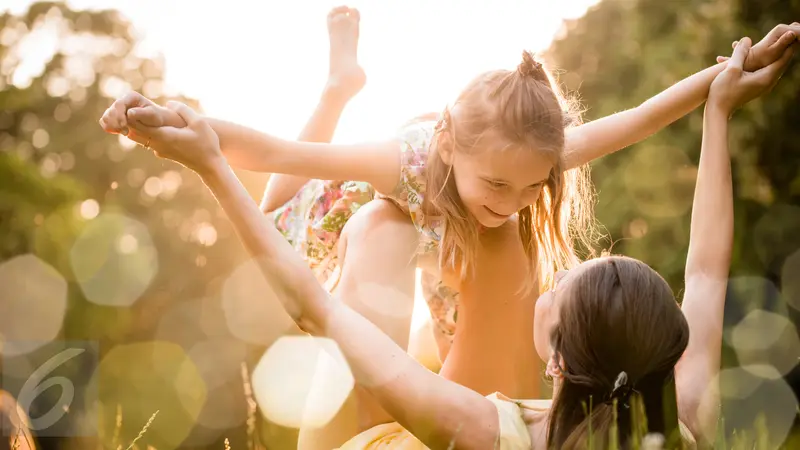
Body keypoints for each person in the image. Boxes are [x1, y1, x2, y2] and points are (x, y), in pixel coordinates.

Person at [125, 32, 792, 448]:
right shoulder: (679, 421)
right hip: (389, 246)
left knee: (388, 233)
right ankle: (337, 91)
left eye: (561, 291)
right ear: (664, 349)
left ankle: (335, 90)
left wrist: (203, 151)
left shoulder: (485, 430)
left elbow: (315, 305)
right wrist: (720, 96)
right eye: (501, 186)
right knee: (382, 225)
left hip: (409, 324)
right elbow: (703, 275)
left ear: (558, 356)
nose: (518, 203)